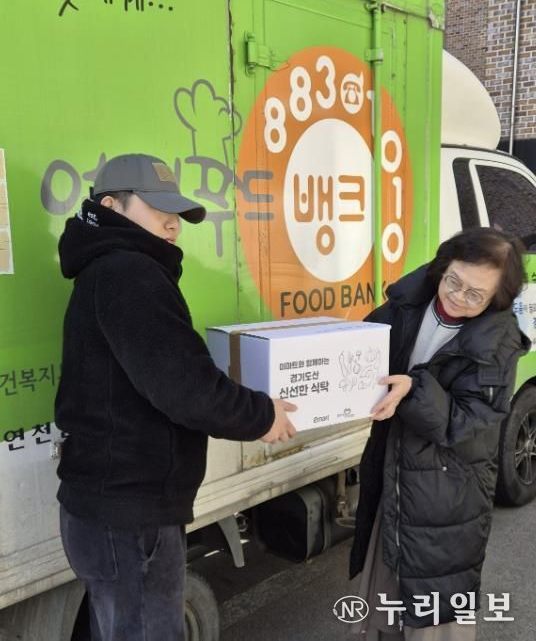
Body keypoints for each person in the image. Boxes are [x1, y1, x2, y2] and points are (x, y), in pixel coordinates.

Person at [54, 153, 297, 641]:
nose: (173, 225)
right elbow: (185, 387)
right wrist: (261, 415)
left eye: (178, 214)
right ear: (111, 206)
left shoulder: (106, 268)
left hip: (110, 510)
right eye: (159, 209)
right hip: (131, 517)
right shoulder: (128, 272)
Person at [349, 227, 529, 640]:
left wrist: (413, 390)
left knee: (434, 603)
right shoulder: (407, 304)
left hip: (448, 490)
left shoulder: (498, 344)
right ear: (443, 267)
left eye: (475, 295)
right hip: (394, 472)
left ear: (496, 299)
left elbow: (467, 421)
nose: (458, 297)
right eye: (454, 281)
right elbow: (363, 349)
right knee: (388, 586)